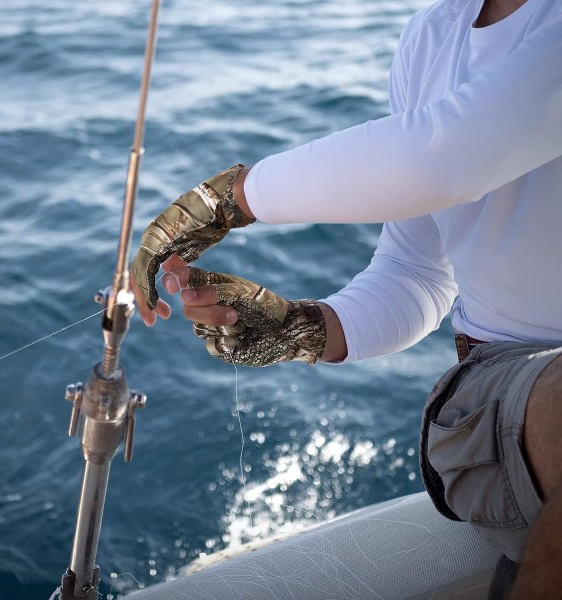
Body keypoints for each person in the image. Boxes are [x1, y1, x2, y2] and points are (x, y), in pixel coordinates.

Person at [130, 0, 562, 597]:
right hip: (502, 389)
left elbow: (443, 158)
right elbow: (415, 269)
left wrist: (223, 200)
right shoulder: (433, 36)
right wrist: (299, 327)